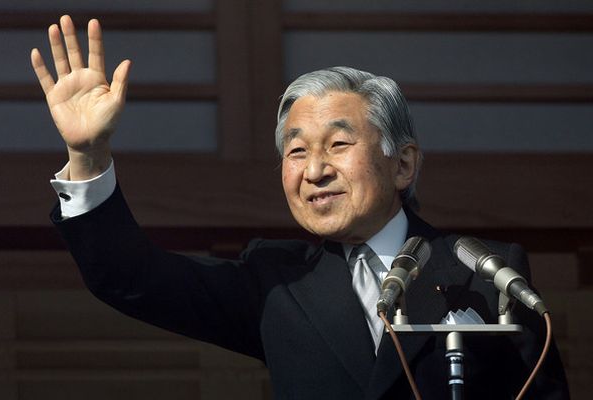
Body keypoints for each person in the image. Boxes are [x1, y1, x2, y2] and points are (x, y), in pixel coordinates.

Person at [31, 15, 569, 399]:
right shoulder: (276, 282)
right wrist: (88, 154)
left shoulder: (485, 271)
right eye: (296, 151)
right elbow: (130, 276)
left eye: (338, 144)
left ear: (403, 164)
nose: (314, 170)